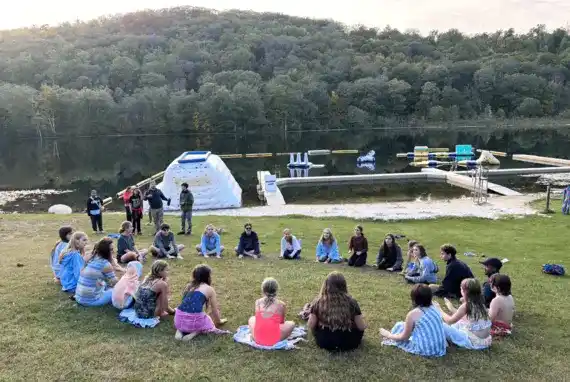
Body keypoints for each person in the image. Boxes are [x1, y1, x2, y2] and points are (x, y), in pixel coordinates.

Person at [380, 284, 447, 357]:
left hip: (426, 350)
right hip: (440, 348)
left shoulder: (413, 314)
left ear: (414, 300)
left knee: (399, 325)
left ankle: (391, 337)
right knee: (403, 325)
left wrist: (389, 335)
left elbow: (404, 337)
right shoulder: (435, 308)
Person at [308, 272, 367, 352]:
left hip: (325, 342)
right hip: (350, 342)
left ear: (326, 285)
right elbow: (361, 326)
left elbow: (311, 325)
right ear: (343, 285)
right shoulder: (352, 302)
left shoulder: (318, 301)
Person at [174, 264, 229, 341]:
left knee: (187, 315)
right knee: (207, 320)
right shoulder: (209, 289)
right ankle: (195, 332)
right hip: (194, 322)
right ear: (207, 277)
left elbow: (184, 303)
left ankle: (180, 331)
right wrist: (219, 321)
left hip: (178, 318)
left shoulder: (189, 286)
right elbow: (214, 310)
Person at [434, 278, 492, 350]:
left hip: (473, 342)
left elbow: (449, 321)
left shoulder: (467, 305)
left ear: (465, 291)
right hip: (485, 342)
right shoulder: (480, 304)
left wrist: (439, 310)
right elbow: (462, 316)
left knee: (441, 325)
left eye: (461, 289)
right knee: (460, 322)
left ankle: (444, 340)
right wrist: (450, 306)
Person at [248, 278, 296, 346]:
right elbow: (281, 322)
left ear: (263, 290)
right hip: (273, 340)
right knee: (292, 324)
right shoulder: (281, 304)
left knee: (252, 319)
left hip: (257, 338)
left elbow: (259, 320)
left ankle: (262, 335)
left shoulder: (257, 302)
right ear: (276, 290)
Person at [75, 237, 118, 307]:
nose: (114, 251)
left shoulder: (91, 258)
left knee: (104, 284)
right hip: (91, 301)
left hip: (79, 297)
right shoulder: (105, 264)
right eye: (111, 250)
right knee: (116, 291)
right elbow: (115, 283)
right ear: (106, 251)